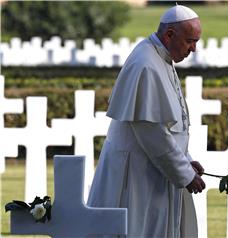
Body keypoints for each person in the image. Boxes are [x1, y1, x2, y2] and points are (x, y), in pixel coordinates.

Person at [87, 4, 206, 238]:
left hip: (154, 169)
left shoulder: (161, 58)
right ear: (170, 34)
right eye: (190, 41)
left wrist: (186, 160)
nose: (193, 49)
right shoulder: (145, 63)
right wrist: (184, 172)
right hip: (136, 174)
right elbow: (152, 131)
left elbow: (170, 124)